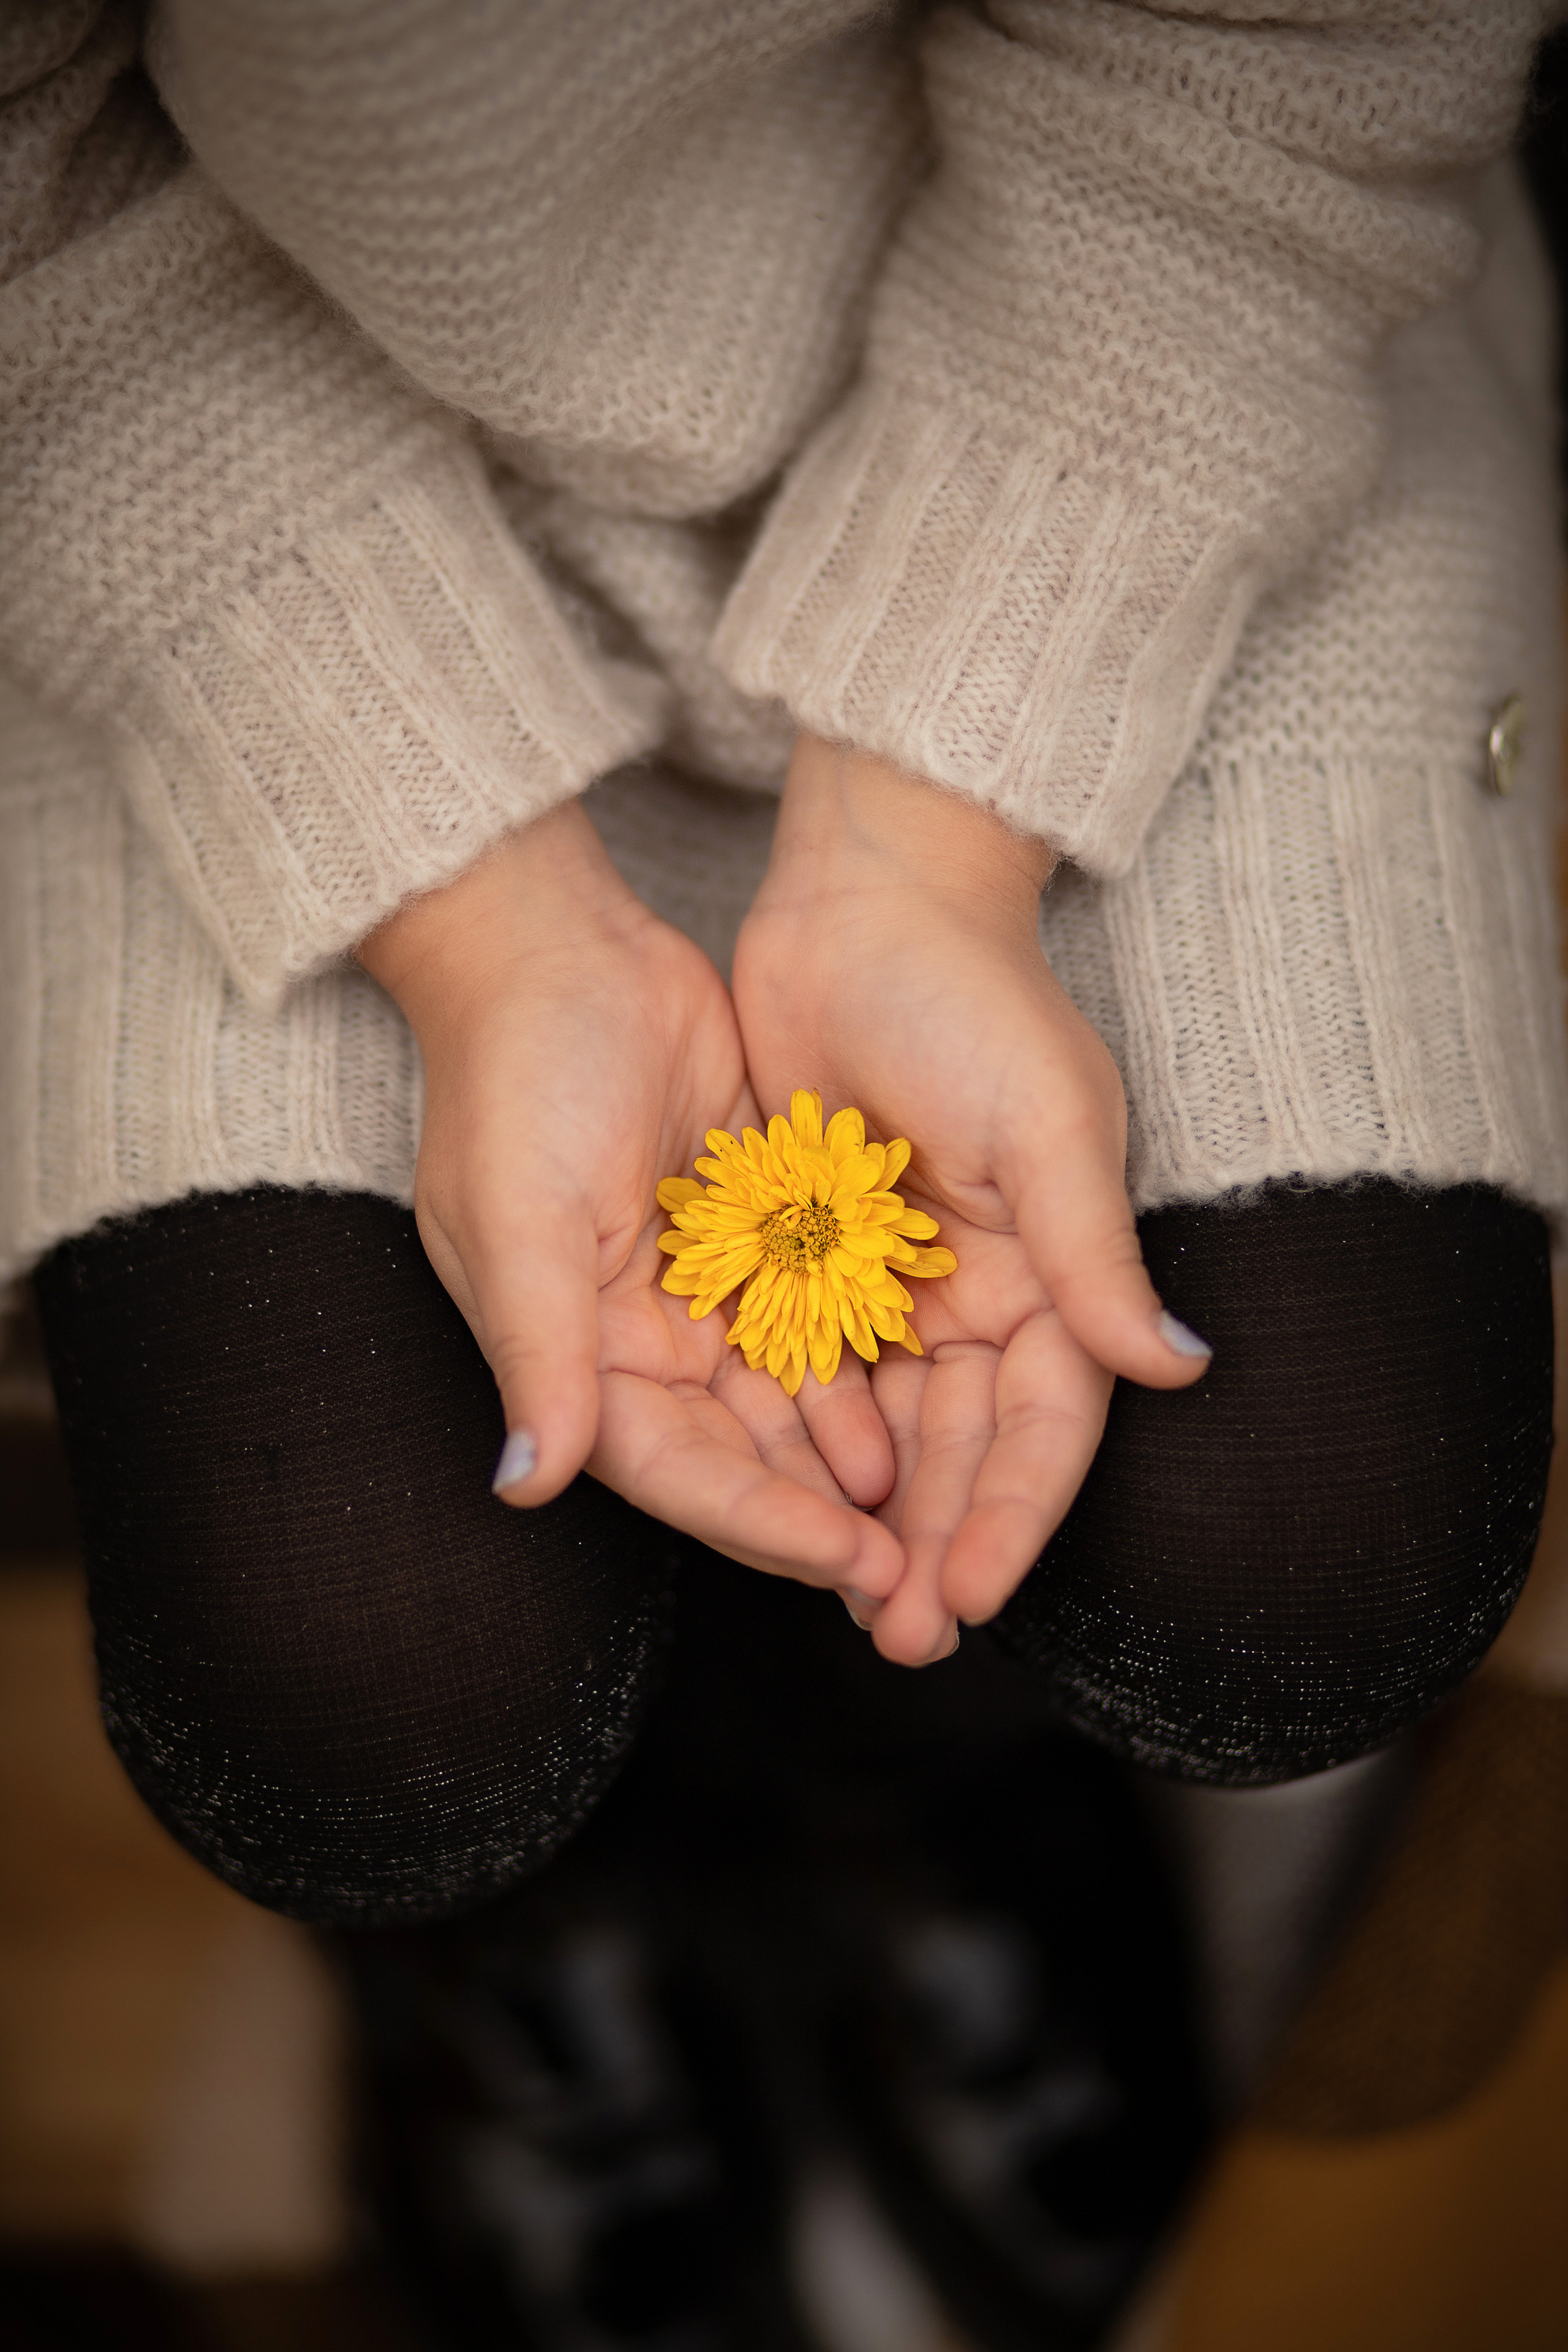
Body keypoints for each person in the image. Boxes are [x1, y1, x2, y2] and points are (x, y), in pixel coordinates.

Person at [2, 0, 1561, 1925]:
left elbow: (1301, 57)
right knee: (352, 1688)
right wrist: (477, 923)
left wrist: (930, 835)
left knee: (1306, 1546)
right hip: (198, 460)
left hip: (1130, 358)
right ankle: (581, 1922)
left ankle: (929, 1825)